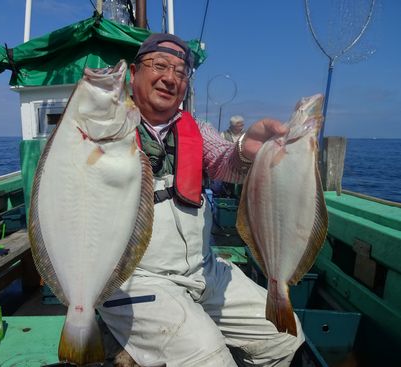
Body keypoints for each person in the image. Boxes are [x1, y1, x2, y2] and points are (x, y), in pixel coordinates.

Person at [97, 33, 304, 367]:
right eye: (159, 65)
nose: (169, 77)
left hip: (204, 269)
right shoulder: (101, 129)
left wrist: (245, 151)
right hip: (135, 279)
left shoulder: (195, 129)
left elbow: (225, 161)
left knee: (286, 337)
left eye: (181, 72)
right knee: (210, 359)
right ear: (133, 73)